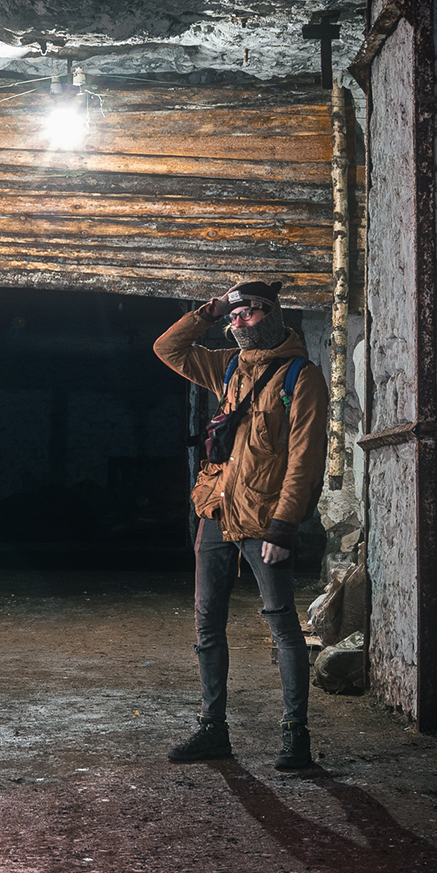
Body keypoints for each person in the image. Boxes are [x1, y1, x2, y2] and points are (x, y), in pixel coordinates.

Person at [153, 279, 330, 770]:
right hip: (216, 511)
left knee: (282, 626)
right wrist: (208, 310)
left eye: (246, 313)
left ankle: (296, 736)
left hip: (265, 519)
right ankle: (213, 730)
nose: (237, 322)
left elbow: (304, 458)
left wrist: (284, 525)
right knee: (207, 625)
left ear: (271, 315)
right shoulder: (228, 367)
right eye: (232, 316)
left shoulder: (301, 376)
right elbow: (167, 348)